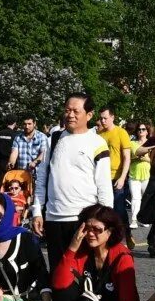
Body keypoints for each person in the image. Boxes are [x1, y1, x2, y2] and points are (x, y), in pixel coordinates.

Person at [31, 94, 115, 258]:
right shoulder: (53, 140)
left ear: (89, 115)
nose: (70, 115)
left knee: (83, 274)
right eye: (67, 110)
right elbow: (41, 178)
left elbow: (104, 186)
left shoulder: (97, 143)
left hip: (84, 221)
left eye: (76, 111)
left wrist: (105, 221)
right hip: (54, 219)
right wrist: (37, 212)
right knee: (58, 274)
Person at [95, 108, 133, 227]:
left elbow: (127, 157)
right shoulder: (99, 135)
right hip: (102, 177)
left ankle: (126, 232)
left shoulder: (121, 132)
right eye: (101, 118)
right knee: (104, 209)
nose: (103, 121)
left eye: (105, 118)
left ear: (112, 117)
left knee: (119, 209)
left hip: (117, 177)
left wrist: (122, 178)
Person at [127, 122, 154, 232]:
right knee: (135, 197)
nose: (141, 131)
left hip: (146, 175)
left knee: (145, 199)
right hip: (134, 175)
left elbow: (153, 160)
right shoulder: (132, 143)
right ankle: (133, 220)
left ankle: (143, 219)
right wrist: (140, 156)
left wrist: (145, 158)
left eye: (143, 129)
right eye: (139, 129)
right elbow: (133, 154)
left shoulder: (152, 143)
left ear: (147, 131)